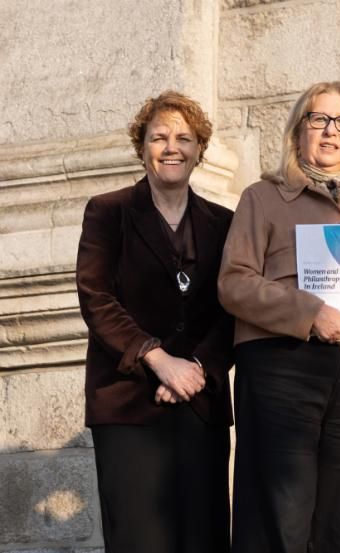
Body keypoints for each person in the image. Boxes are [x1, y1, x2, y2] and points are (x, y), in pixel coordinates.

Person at [217, 81, 340, 553]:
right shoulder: (263, 197)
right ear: (299, 133)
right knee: (280, 518)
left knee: (339, 524)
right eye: (318, 120)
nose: (330, 132)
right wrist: (309, 312)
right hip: (281, 367)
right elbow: (233, 282)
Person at [76, 90, 235, 553]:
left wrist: (198, 369)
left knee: (202, 539)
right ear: (141, 147)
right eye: (159, 137)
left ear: (199, 150)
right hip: (128, 406)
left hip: (200, 407)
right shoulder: (108, 212)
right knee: (138, 541)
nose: (172, 147)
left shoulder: (225, 223)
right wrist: (158, 359)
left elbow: (233, 306)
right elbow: (96, 298)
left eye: (184, 138)